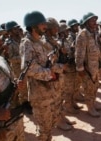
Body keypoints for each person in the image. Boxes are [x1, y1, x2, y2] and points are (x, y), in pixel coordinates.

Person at [20, 11, 67, 141]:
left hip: (49, 90)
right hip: (39, 94)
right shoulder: (27, 43)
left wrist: (56, 63)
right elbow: (27, 69)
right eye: (42, 24)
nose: (45, 27)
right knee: (43, 129)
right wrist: (48, 73)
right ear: (33, 26)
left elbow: (47, 62)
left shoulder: (39, 42)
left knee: (50, 125)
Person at [0, 18, 25, 141]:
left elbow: (10, 81)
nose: (0, 41)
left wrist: (16, 85)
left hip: (14, 120)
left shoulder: (0, 59)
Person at [75, 12, 101, 117]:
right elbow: (79, 53)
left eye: (95, 20)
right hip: (87, 68)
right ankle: (90, 108)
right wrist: (80, 68)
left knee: (95, 86)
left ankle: (93, 103)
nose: (95, 22)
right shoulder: (83, 34)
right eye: (92, 20)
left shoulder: (93, 32)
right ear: (86, 22)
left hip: (94, 65)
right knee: (88, 88)